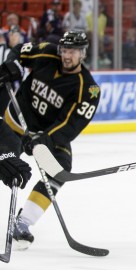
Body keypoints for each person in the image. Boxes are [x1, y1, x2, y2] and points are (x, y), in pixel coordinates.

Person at [0, 30, 100, 250]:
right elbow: (19, 52)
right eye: (65, 50)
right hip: (17, 121)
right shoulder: (46, 52)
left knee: (60, 168)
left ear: (83, 53)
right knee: (7, 164)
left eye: (73, 51)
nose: (67, 55)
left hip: (46, 133)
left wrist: (45, 139)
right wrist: (11, 66)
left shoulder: (88, 89)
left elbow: (71, 124)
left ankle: (23, 223)